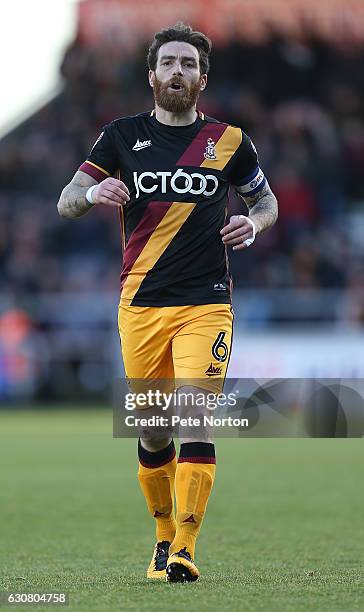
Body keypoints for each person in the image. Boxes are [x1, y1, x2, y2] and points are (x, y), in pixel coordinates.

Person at [57, 22, 278, 583]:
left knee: (195, 415)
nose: (178, 72)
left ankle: (184, 547)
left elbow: (267, 202)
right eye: (168, 63)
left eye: (188, 64)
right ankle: (161, 536)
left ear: (203, 78)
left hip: (207, 303)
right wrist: (91, 192)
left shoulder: (230, 141)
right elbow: (66, 201)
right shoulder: (119, 136)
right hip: (140, 304)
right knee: (154, 430)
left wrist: (252, 224)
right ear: (151, 75)